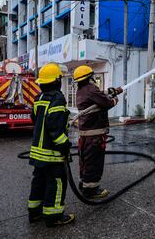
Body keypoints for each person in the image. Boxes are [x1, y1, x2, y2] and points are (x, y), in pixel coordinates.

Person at [28, 63, 75, 227]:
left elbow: (34, 119)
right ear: (57, 81)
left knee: (38, 181)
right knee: (56, 183)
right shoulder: (57, 98)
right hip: (52, 153)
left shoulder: (38, 98)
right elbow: (54, 127)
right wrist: (65, 144)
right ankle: (53, 217)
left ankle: (34, 213)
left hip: (37, 152)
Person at [73, 65, 120, 199]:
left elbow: (98, 99)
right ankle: (91, 190)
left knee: (85, 160)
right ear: (90, 77)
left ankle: (84, 183)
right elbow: (107, 103)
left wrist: (108, 93)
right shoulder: (91, 89)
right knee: (94, 161)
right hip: (94, 134)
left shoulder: (81, 90)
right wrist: (115, 99)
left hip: (85, 134)